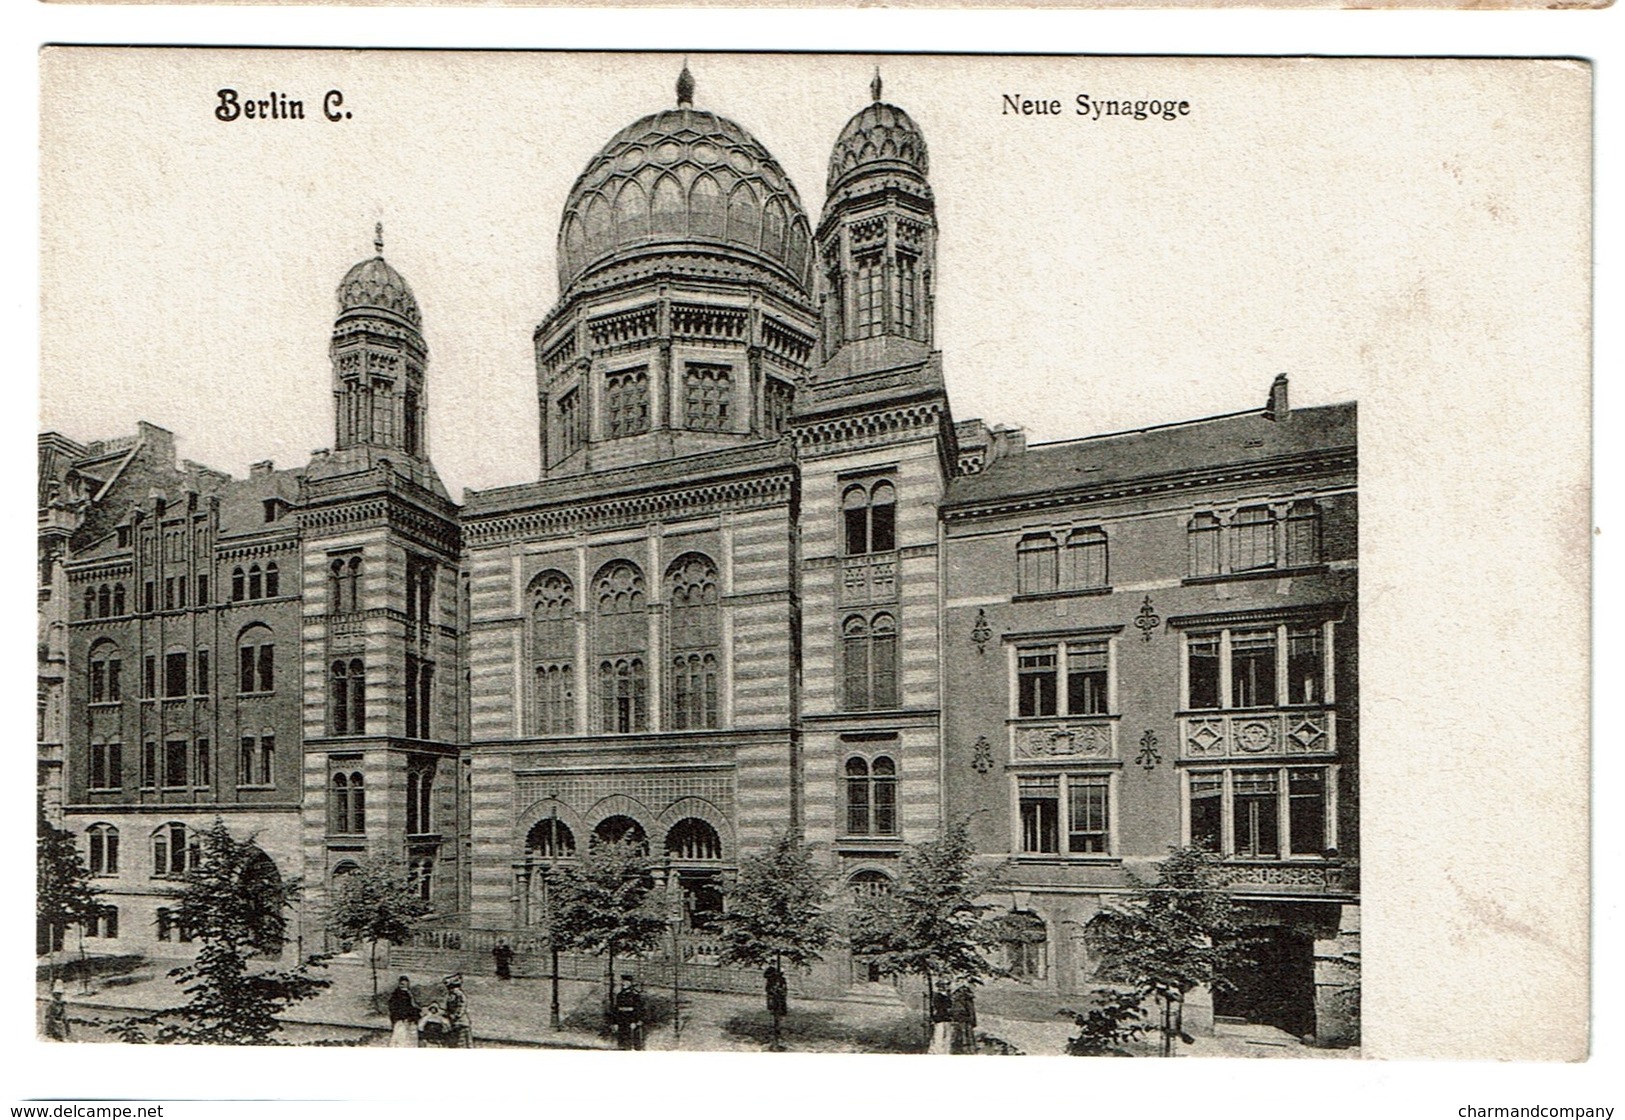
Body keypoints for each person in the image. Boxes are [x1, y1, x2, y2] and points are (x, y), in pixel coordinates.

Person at [612, 975, 645, 1050]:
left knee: (632, 1041)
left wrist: (635, 1021)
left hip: (631, 1020)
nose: (623, 983)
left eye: (626, 982)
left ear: (630, 983)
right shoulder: (619, 995)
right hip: (622, 1020)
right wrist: (615, 1022)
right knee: (622, 1041)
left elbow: (638, 1009)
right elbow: (616, 1010)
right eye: (623, 982)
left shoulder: (634, 995)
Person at [387, 975, 420, 1047]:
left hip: (408, 1018)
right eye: (402, 984)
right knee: (400, 1034)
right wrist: (402, 1017)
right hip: (400, 1017)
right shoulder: (396, 995)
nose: (404, 986)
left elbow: (412, 1005)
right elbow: (394, 1007)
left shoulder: (408, 993)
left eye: (406, 984)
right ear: (399, 984)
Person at [443, 973, 472, 1048]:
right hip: (454, 1023)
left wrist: (455, 1015)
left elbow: (461, 1006)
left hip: (461, 1023)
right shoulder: (452, 995)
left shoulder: (458, 994)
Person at [950, 984, 978, 1055]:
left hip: (966, 1021)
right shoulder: (960, 999)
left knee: (966, 1038)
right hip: (963, 1021)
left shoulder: (967, 999)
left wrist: (972, 1020)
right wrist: (969, 1019)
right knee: (962, 1038)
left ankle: (967, 1050)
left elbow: (971, 1011)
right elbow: (958, 1012)